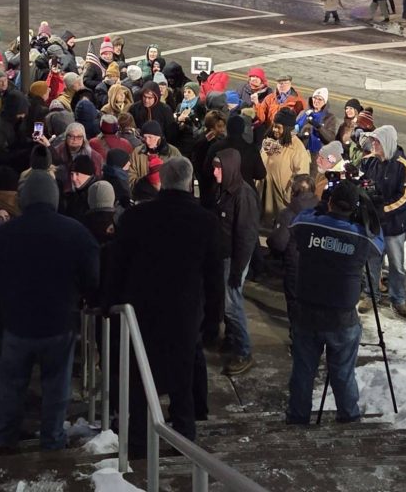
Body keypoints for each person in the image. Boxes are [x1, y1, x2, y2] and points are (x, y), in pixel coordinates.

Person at [108, 157, 224, 457]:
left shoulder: (136, 217)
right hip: (185, 312)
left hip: (141, 310)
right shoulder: (206, 221)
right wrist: (213, 320)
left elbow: (117, 266)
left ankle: (138, 443)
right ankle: (184, 439)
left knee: (140, 377)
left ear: (162, 181)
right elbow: (214, 278)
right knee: (182, 381)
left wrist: (110, 303)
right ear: (188, 182)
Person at [0, 170, 99, 451]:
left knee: (11, 386)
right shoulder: (75, 232)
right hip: (59, 323)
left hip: (16, 324)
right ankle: (52, 440)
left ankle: (5, 438)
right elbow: (92, 277)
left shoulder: (6, 234)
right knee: (56, 387)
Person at [286, 180, 384, 425]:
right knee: (342, 373)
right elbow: (378, 244)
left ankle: (297, 419)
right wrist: (369, 213)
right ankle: (349, 419)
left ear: (330, 201)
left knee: (303, 371)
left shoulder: (308, 224)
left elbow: (297, 222)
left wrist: (320, 209)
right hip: (342, 317)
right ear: (353, 207)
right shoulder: (359, 236)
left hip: (306, 311)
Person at [359, 125, 406, 320]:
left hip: (394, 225)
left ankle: (398, 299)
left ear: (387, 143)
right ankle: (370, 295)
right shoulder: (372, 162)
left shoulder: (404, 166)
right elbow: (364, 182)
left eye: (377, 142)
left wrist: (384, 209)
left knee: (396, 265)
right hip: (375, 224)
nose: (373, 145)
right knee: (372, 260)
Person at [212, 149, 260, 376]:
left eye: (218, 168)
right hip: (224, 256)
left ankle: (243, 351)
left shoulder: (243, 195)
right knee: (227, 302)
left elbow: (246, 235)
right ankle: (232, 340)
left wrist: (237, 269)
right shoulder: (224, 189)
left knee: (232, 305)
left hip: (234, 259)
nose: (214, 172)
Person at [266, 174, 318, 329]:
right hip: (318, 268)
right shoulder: (323, 211)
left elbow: (278, 243)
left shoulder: (288, 214)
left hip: (295, 267)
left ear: (294, 191)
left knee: (295, 305)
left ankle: (297, 335)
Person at [259, 108, 311, 226]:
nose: (274, 130)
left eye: (278, 127)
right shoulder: (269, 142)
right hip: (261, 198)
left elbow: (301, 178)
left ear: (287, 128)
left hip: (280, 205)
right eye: (274, 126)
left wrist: (287, 196)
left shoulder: (297, 149)